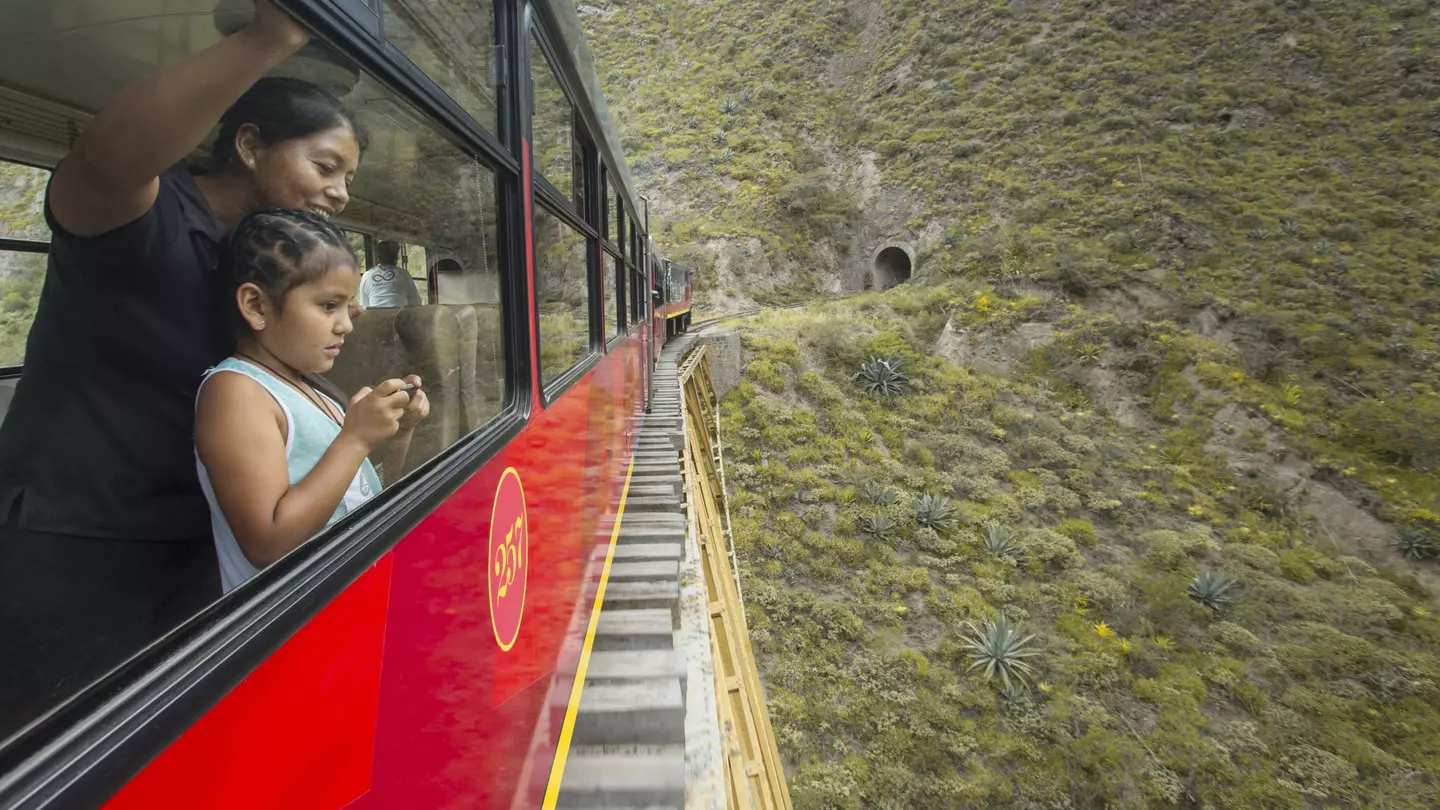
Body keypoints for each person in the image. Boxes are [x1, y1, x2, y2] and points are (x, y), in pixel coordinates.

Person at [0, 0, 366, 733]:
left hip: (191, 535)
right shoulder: (142, 217)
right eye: (325, 166)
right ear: (251, 144)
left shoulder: (253, 263)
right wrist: (273, 36)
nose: (340, 192)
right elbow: (105, 158)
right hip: (78, 537)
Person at [196, 209, 427, 593]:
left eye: (347, 306)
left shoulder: (312, 391)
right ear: (256, 306)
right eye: (327, 306)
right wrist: (356, 439)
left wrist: (398, 433)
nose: (346, 324)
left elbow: (362, 495)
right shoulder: (235, 392)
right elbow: (267, 542)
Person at [359, 239, 423, 308]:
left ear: (378, 257)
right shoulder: (404, 274)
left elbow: (364, 304)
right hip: (400, 317)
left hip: (375, 317)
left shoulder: (367, 275)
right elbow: (416, 302)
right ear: (395, 257)